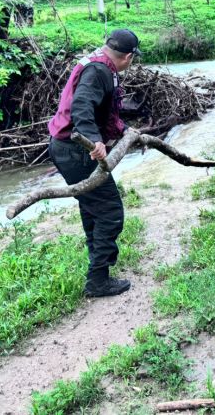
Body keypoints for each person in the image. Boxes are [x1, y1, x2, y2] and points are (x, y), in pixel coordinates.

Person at [47, 29, 142, 298]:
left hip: (66, 146)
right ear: (127, 57)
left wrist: (125, 131)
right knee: (110, 211)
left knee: (92, 207)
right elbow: (82, 107)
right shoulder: (99, 71)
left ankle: (97, 271)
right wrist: (93, 140)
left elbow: (106, 112)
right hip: (76, 151)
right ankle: (98, 280)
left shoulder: (100, 63)